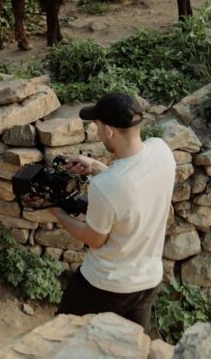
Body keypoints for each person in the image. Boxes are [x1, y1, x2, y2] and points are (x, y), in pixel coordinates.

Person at [48, 92, 176, 330]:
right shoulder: (162, 152)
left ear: (109, 131)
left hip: (105, 285)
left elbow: (93, 238)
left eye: (97, 126)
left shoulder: (107, 186)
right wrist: (96, 167)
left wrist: (55, 210)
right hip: (148, 281)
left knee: (64, 337)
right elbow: (133, 188)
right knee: (129, 349)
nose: (97, 132)